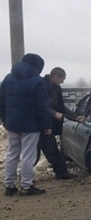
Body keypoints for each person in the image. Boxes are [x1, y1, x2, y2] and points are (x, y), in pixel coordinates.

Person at [0, 53, 52, 196]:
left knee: (12, 154)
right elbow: (42, 106)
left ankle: (9, 185)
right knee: (28, 155)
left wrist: (4, 119)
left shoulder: (8, 78)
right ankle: (26, 186)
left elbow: (1, 101)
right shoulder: (38, 82)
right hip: (31, 125)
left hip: (12, 123)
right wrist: (47, 125)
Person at [39, 67, 83, 180]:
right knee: (42, 151)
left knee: (50, 149)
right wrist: (54, 114)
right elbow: (41, 106)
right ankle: (61, 173)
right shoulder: (41, 86)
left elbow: (61, 107)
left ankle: (61, 172)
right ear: (56, 77)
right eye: (62, 79)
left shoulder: (56, 88)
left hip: (47, 124)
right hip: (40, 123)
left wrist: (75, 117)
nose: (62, 82)